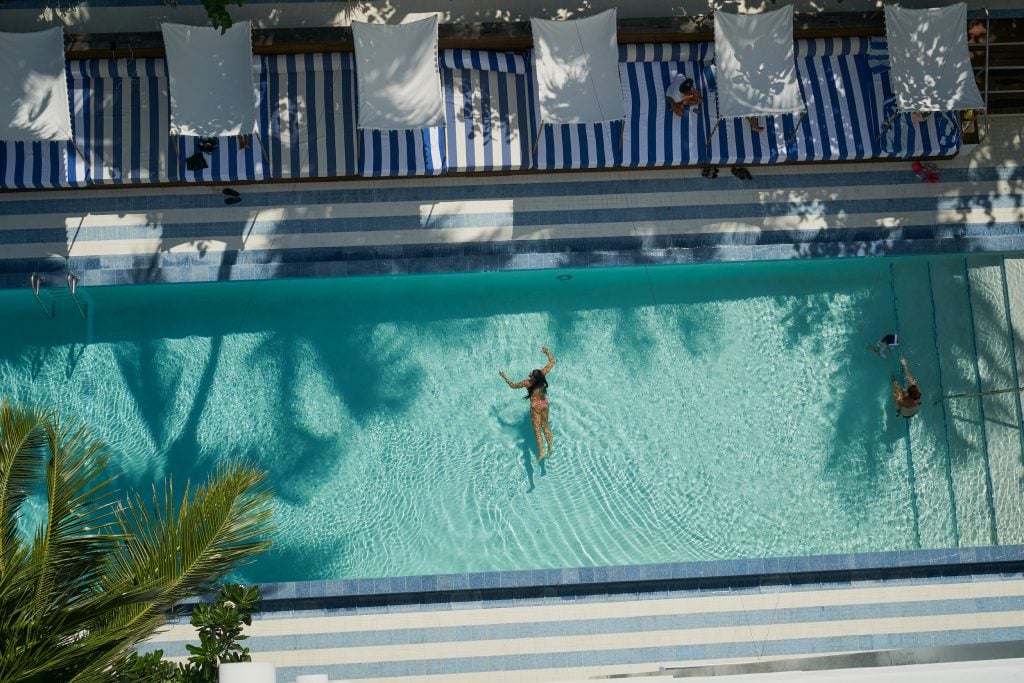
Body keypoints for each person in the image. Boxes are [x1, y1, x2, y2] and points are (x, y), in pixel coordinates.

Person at [499, 346, 556, 461]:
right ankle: (550, 448)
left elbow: (512, 385)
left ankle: (540, 453)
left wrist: (504, 377)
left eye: (531, 373)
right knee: (545, 426)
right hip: (544, 405)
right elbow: (552, 361)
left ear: (533, 378)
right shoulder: (542, 375)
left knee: (537, 431)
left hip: (535, 408)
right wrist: (547, 352)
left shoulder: (528, 383)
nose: (529, 373)